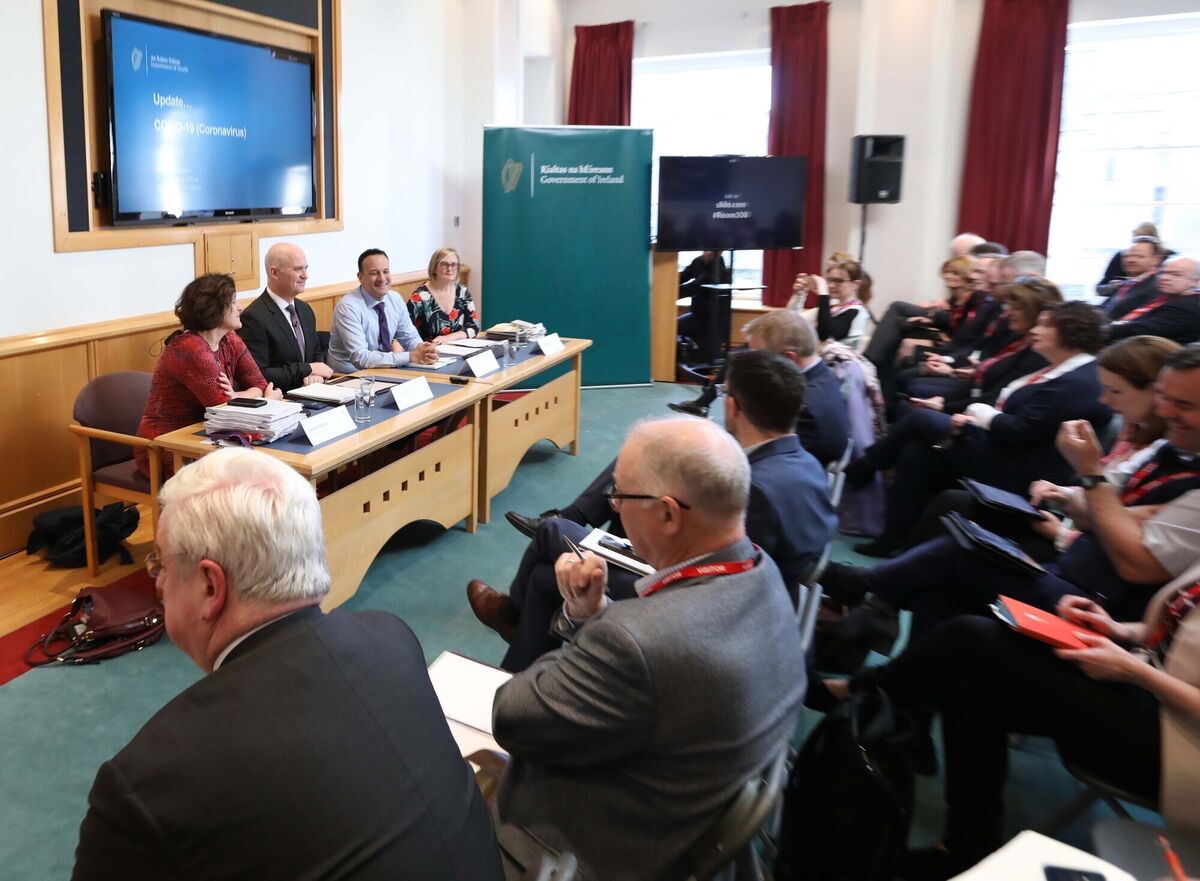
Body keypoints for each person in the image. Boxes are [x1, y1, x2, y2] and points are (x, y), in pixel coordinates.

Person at [71, 448, 502, 881]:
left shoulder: (145, 783)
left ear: (209, 585)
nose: (159, 582)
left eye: (160, 563)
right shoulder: (391, 637)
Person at [489, 417, 806, 881]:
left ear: (670, 514)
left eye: (621, 495)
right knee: (544, 584)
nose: (613, 505)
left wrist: (592, 628)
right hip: (688, 811)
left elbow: (511, 715)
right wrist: (589, 614)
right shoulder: (761, 569)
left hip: (589, 847)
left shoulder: (635, 641)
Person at [825, 558, 1200, 880]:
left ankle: (857, 692)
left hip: (1178, 749)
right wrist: (1117, 630)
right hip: (1148, 690)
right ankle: (967, 846)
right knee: (969, 680)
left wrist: (1136, 672)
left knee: (968, 637)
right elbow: (1161, 630)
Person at [472, 350, 836, 671]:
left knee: (553, 535)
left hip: (690, 602)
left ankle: (512, 624)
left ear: (732, 406)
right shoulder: (805, 463)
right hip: (739, 602)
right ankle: (517, 651)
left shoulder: (756, 488)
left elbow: (708, 571)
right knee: (543, 578)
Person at [824, 344, 1200, 642]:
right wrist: (1110, 509)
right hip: (1077, 552)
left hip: (1098, 594)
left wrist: (1090, 482)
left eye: (1182, 404)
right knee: (949, 524)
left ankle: (871, 591)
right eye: (1166, 398)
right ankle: (897, 694)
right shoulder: (1163, 447)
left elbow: (1132, 559)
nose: (1167, 411)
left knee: (962, 546)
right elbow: (1094, 509)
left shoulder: (1171, 450)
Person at [849, 300, 1111, 556]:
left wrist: (978, 413)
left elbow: (1020, 430)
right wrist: (976, 416)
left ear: (1068, 333)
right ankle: (895, 537)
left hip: (1025, 474)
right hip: (1004, 448)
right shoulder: (1060, 369)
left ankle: (865, 466)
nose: (1035, 330)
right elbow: (1005, 406)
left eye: (1044, 325)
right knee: (917, 451)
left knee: (922, 420)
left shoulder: (1079, 381)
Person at [904, 334, 1183, 558]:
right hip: (1074, 524)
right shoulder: (1134, 430)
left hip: (1084, 548)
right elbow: (1103, 492)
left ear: (1155, 391)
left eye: (1116, 391)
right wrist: (1065, 492)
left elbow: (1113, 516)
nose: (1105, 401)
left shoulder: (1167, 451)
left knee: (954, 514)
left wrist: (1065, 522)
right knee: (935, 475)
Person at [135, 274, 280, 478]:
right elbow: (224, 412)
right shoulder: (190, 348)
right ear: (214, 309)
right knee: (253, 472)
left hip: (207, 437)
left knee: (264, 465)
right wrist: (260, 398)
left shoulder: (229, 339)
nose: (240, 307)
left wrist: (239, 397)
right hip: (167, 446)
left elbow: (262, 385)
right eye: (233, 302)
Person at [667, 310, 850, 463]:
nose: (751, 362)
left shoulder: (801, 405)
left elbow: (762, 457)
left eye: (758, 356)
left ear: (788, 358)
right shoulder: (824, 376)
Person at [237, 243, 333, 391]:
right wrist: (307, 369)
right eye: (297, 269)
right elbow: (260, 373)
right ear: (274, 273)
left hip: (314, 393)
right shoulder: (254, 317)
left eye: (305, 268)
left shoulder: (305, 309)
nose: (305, 275)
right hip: (282, 399)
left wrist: (316, 376)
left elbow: (316, 353)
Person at [327, 248, 439, 372]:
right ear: (361, 277)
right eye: (374, 273)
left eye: (386, 271)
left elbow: (410, 337)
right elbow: (361, 358)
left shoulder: (394, 299)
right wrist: (410, 356)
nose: (382, 278)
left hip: (382, 371)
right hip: (348, 377)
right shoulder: (348, 307)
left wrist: (424, 349)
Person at [1108, 255, 1200, 345]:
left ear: (1196, 281)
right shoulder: (1167, 297)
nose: (1164, 278)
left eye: (1175, 274)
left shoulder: (1187, 305)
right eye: (1163, 273)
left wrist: (1104, 330)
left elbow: (1143, 330)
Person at [407, 246, 481, 342]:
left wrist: (449, 338)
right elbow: (404, 328)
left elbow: (474, 328)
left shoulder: (462, 292)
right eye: (444, 264)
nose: (449, 268)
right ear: (434, 268)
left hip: (458, 349)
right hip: (429, 351)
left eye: (454, 264)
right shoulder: (421, 296)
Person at [807, 259, 873, 347]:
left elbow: (824, 335)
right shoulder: (834, 308)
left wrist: (823, 294)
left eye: (838, 281)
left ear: (855, 284)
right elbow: (794, 318)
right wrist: (799, 295)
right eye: (830, 280)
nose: (831, 285)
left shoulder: (857, 311)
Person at [1100, 236, 1166, 318]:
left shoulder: (1157, 287)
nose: (1131, 260)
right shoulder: (1130, 282)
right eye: (1128, 256)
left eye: (1139, 256)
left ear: (1156, 260)